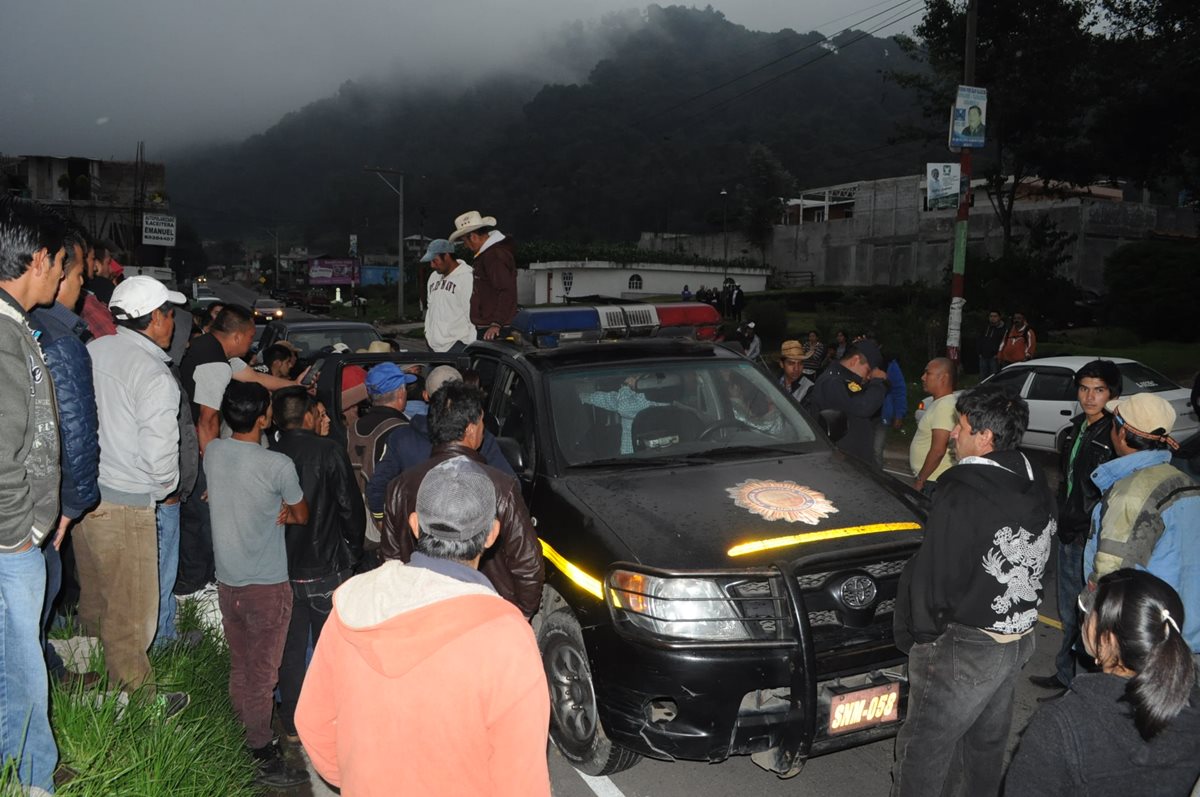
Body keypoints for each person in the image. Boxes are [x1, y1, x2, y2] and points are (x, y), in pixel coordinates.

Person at [295, 456, 551, 796]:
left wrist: (360, 780)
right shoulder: (505, 634)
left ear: (415, 526)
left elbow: (312, 723)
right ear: (491, 535)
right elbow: (522, 779)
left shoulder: (353, 602)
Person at [892, 385, 1056, 797]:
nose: (954, 437)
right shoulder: (1036, 481)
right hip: (1015, 634)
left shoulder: (962, 489)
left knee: (925, 748)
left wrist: (925, 637)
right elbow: (1048, 554)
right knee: (983, 745)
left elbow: (938, 571)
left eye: (961, 428)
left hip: (965, 643)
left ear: (985, 438)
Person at [82, 276, 191, 710]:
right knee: (134, 614)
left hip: (89, 498)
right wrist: (167, 490)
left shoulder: (94, 351)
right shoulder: (152, 374)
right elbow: (161, 455)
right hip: (127, 504)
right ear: (155, 320)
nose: (173, 322)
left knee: (98, 599)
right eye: (170, 313)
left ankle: (94, 689)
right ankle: (141, 705)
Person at [1005, 569, 1200, 795]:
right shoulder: (1192, 711)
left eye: (1091, 610)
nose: (1085, 617)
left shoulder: (1060, 725)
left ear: (1108, 640)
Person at [204, 382, 310, 788]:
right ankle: (261, 751)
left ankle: (241, 733)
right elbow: (301, 514)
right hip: (266, 585)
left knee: (242, 666)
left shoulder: (214, 451)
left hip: (228, 582)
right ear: (264, 417)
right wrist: (283, 510)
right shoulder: (277, 465)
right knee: (264, 675)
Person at [380, 382, 544, 619]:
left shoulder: (400, 486)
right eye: (482, 422)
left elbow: (391, 560)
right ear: (470, 429)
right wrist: (519, 614)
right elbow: (528, 563)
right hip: (487, 613)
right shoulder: (500, 486)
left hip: (420, 612)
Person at [0, 199, 65, 793]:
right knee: (20, 671)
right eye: (61, 262)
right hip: (9, 542)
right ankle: (31, 781)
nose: (66, 274)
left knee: (16, 664)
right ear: (38, 258)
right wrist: (19, 531)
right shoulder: (2, 333)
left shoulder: (12, 324)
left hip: (16, 537)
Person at [269, 387, 365, 744]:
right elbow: (349, 508)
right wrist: (352, 554)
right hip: (327, 565)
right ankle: (331, 719)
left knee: (291, 648)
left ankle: (292, 722)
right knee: (333, 647)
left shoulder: (270, 454)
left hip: (283, 568)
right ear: (309, 415)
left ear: (276, 419)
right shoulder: (329, 452)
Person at [29, 225, 100, 683]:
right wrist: (72, 507)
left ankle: (51, 670)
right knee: (39, 592)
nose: (80, 287)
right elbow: (74, 430)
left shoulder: (23, 326)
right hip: (43, 502)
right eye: (77, 276)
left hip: (24, 497)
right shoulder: (59, 340)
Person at [1082, 392, 1199, 658]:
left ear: (1121, 434)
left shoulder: (1130, 494)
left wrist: (1098, 639)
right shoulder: (1185, 481)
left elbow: (1112, 578)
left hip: (1144, 642)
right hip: (1185, 632)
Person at [1028, 360, 1121, 694]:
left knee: (1090, 615)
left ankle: (1083, 687)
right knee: (1069, 610)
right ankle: (1066, 675)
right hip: (1069, 532)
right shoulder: (1076, 429)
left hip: (1092, 538)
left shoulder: (1114, 433)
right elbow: (1067, 483)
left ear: (1112, 393)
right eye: (1084, 388)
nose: (1089, 397)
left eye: (1099, 390)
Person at [366, 365, 513, 524]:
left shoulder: (401, 438)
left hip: (415, 535)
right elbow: (509, 491)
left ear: (426, 396)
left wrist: (387, 529)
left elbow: (376, 490)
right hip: (468, 536)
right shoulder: (478, 437)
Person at [808, 341, 890, 463]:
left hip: (851, 461)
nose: (868, 377)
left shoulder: (842, 380)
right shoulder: (833, 382)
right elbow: (864, 407)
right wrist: (878, 382)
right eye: (868, 371)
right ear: (855, 360)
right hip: (842, 463)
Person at [449, 210, 517, 340]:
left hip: (494, 330)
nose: (465, 246)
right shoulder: (488, 254)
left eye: (465, 241)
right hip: (490, 327)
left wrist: (496, 323)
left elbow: (506, 290)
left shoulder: (493, 256)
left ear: (473, 237)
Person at [909, 358, 957, 495]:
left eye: (928, 373)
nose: (923, 377)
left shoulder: (945, 406)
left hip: (933, 482)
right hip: (931, 480)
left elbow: (938, 450)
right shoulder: (939, 403)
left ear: (943, 378)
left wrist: (920, 480)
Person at [421, 238, 474, 353]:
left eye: (435, 261)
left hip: (457, 346)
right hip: (433, 347)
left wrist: (470, 346)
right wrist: (428, 334)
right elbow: (430, 308)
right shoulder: (433, 277)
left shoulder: (467, 278)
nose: (432, 265)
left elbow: (472, 313)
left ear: (447, 256)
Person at [877, 349, 907, 468]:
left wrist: (899, 415)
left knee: (877, 449)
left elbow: (899, 391)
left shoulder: (891, 366)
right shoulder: (863, 361)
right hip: (863, 412)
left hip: (882, 414)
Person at [977, 311, 1006, 378]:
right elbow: (980, 339)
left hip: (994, 357)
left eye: (995, 316)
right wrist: (979, 352)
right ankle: (983, 388)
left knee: (994, 376)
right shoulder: (985, 327)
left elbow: (1003, 342)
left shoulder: (1003, 329)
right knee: (983, 376)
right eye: (991, 316)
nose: (992, 318)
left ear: (999, 317)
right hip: (983, 356)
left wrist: (998, 354)